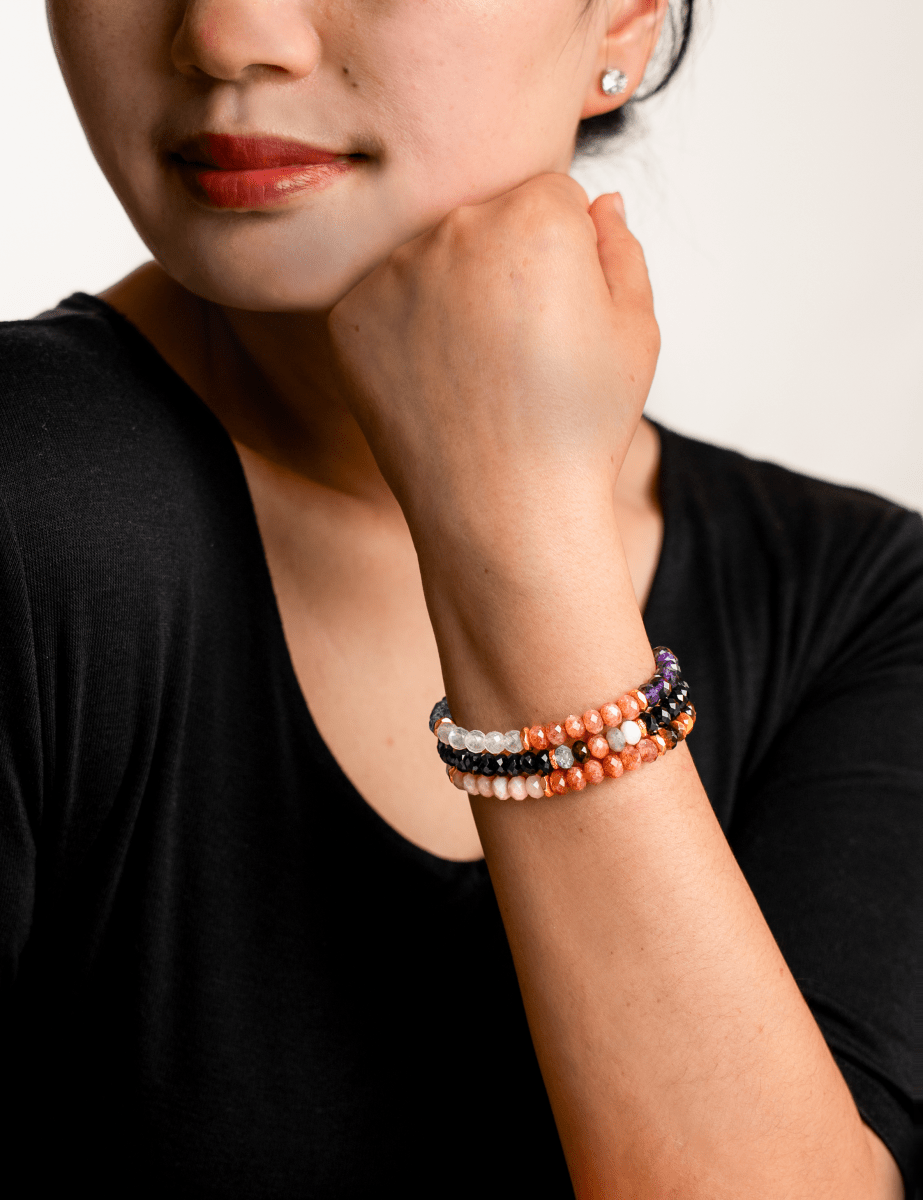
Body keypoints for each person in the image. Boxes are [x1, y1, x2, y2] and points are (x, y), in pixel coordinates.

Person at [0, 0, 919, 1195]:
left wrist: (511, 531)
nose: (228, 35)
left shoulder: (858, 608)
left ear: (627, 18)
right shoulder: (32, 493)